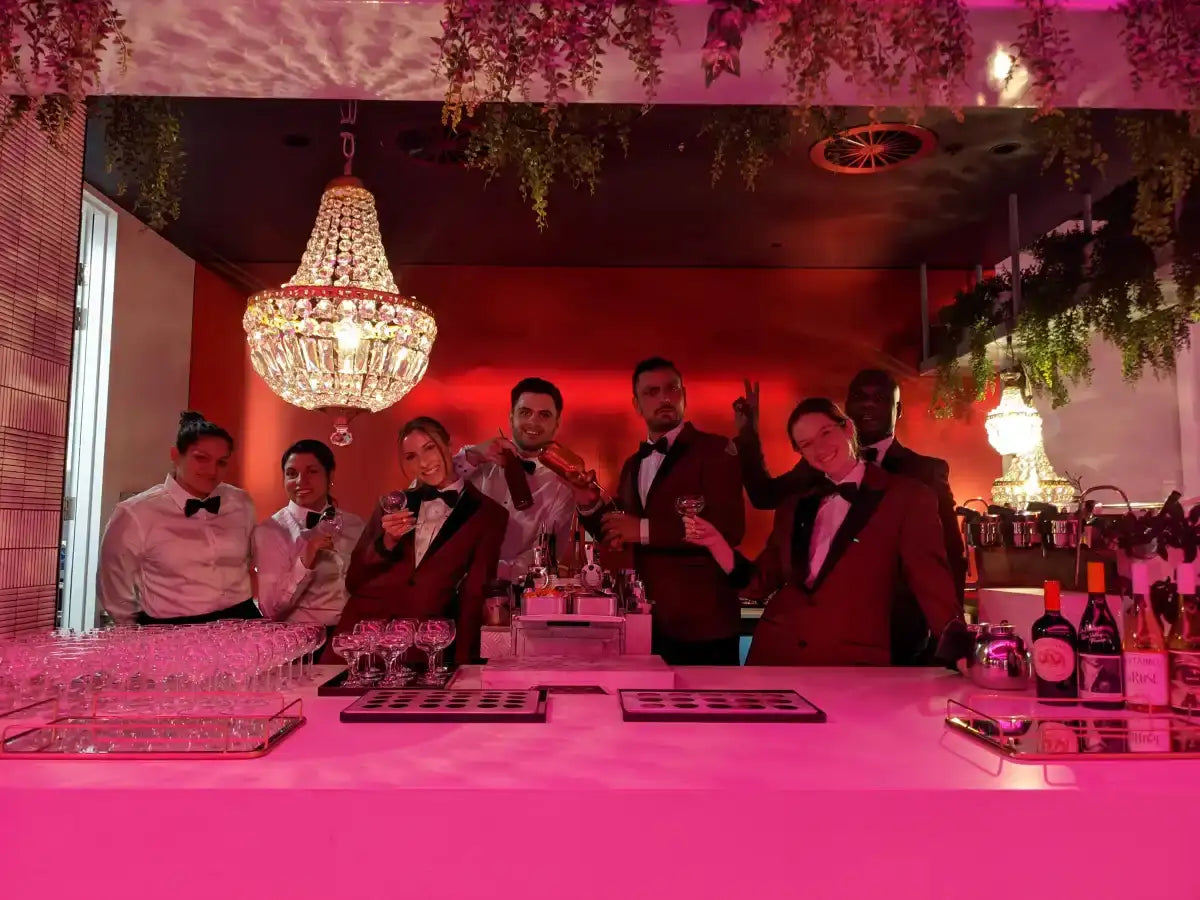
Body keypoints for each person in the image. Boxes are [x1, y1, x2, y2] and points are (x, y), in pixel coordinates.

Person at [686, 398, 966, 668]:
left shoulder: (907, 497)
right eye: (806, 444)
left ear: (847, 428)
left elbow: (932, 582)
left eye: (825, 433)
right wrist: (714, 542)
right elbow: (759, 583)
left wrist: (961, 655)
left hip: (853, 660)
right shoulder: (794, 506)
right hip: (777, 654)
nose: (819, 448)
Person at [573, 357, 746, 666]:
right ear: (637, 404)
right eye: (652, 392)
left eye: (672, 389)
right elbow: (617, 530)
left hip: (706, 626)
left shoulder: (716, 449)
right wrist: (589, 503)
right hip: (646, 624)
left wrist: (642, 530)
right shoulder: (632, 464)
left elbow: (729, 526)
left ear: (684, 395)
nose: (664, 398)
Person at [325, 417, 508, 665]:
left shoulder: (489, 515)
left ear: (449, 445)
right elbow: (354, 580)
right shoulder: (392, 503)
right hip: (360, 638)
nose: (423, 463)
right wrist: (386, 543)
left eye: (429, 448)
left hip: (423, 646)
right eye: (411, 456)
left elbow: (474, 594)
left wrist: (465, 666)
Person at [98, 411, 259, 625]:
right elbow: (114, 586)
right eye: (201, 458)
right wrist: (133, 633)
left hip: (242, 621)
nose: (212, 470)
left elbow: (249, 560)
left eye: (221, 462)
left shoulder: (240, 502)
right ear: (175, 455)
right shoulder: (135, 513)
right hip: (172, 628)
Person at [454, 377, 576, 583]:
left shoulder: (563, 484)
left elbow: (544, 552)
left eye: (544, 415)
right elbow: (431, 495)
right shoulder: (477, 459)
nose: (533, 422)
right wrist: (473, 456)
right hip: (458, 586)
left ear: (557, 424)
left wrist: (496, 575)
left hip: (520, 593)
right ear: (511, 417)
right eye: (525, 412)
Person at [252, 440, 365, 651]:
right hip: (302, 643)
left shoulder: (355, 524)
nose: (300, 481)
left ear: (330, 476)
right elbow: (271, 609)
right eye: (291, 473)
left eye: (312, 471)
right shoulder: (271, 531)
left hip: (353, 637)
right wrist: (307, 555)